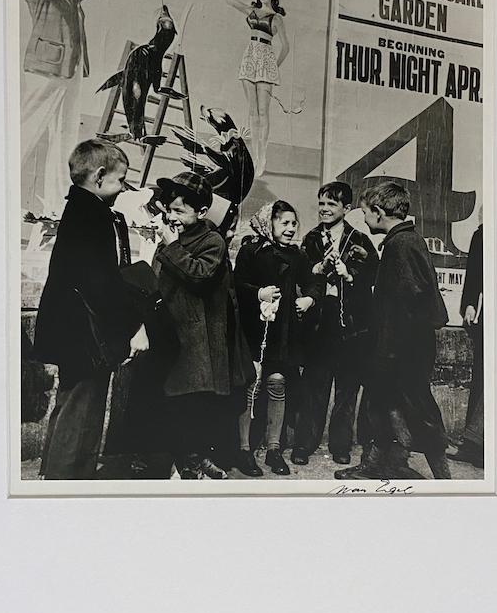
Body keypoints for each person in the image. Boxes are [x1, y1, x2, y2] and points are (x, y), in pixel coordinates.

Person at [34, 139, 151, 479]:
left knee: (70, 406)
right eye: (120, 180)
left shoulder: (80, 210)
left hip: (73, 331)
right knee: (82, 412)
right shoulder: (95, 216)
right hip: (86, 333)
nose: (122, 189)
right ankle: (65, 483)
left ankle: (55, 476)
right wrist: (134, 327)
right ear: (99, 176)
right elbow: (102, 284)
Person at [336, 181, 451, 481]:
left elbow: (403, 308)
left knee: (418, 412)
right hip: (402, 349)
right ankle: (381, 463)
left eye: (364, 213)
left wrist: (387, 354)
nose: (362, 219)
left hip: (401, 352)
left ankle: (444, 480)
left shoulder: (401, 246)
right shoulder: (405, 242)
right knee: (385, 406)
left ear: (378, 212)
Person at [152, 172, 233, 480]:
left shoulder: (212, 241)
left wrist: (171, 246)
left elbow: (200, 276)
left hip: (197, 339)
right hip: (171, 334)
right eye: (169, 210)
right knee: (174, 404)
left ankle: (193, 462)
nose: (171, 217)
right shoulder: (173, 238)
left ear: (201, 213)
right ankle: (184, 460)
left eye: (179, 211)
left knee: (193, 405)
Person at [292, 182, 378, 466]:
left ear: (347, 209)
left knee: (347, 390)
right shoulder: (311, 239)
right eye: (322, 203)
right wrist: (317, 269)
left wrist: (349, 274)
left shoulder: (360, 240)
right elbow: (301, 277)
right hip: (320, 322)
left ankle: (341, 445)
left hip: (350, 325)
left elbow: (372, 279)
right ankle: (304, 444)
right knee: (314, 386)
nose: (325, 209)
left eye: (331, 204)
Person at [233, 200, 321, 476]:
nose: (291, 228)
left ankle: (273, 449)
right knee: (251, 385)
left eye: (294, 223)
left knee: (278, 383)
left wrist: (309, 298)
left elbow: (314, 283)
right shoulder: (251, 251)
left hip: (284, 332)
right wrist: (258, 294)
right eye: (284, 222)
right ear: (268, 223)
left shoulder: (298, 256)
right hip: (254, 329)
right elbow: (235, 286)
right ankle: (244, 450)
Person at [20, 0, 102, 217]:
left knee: (65, 138)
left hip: (68, 69)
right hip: (47, 67)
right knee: (25, 127)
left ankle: (57, 205)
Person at [224, 0, 290, 177]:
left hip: (265, 58)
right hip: (250, 57)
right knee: (252, 111)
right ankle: (255, 154)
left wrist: (274, 67)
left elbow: (286, 47)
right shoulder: (251, 11)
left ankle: (263, 155)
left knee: (264, 112)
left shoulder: (276, 18)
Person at [448, 219, 484, 468]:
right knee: (482, 376)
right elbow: (475, 273)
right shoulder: (483, 234)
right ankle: (474, 445)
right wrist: (470, 303)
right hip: (490, 316)